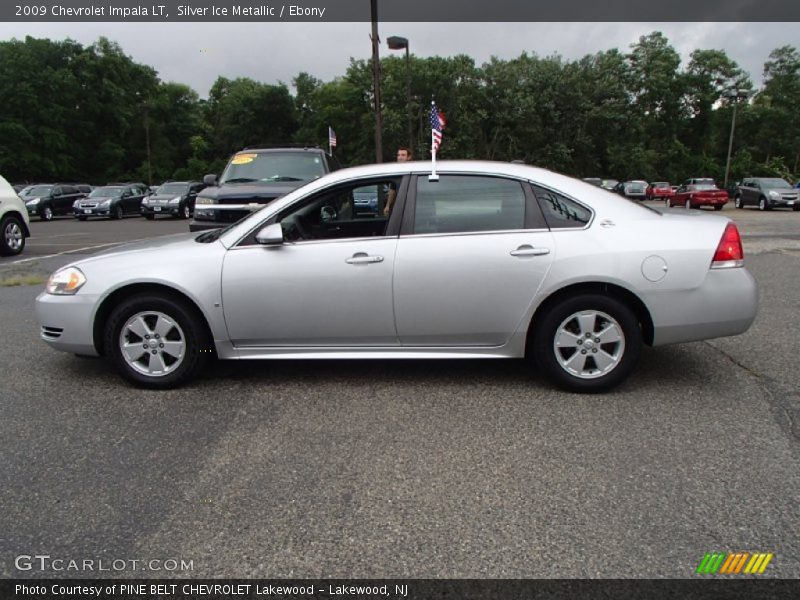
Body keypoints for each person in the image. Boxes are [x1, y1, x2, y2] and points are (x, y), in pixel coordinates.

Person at [383, 147, 413, 216]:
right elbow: (392, 190)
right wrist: (387, 206)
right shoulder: (396, 172)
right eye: (398, 155)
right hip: (399, 206)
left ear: (409, 157)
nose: (400, 157)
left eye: (403, 155)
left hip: (411, 205)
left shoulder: (413, 170)